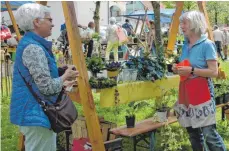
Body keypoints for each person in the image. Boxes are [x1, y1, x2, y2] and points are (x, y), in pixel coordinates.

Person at [10, 3, 79, 151]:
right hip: (35, 113)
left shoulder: (32, 44)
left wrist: (60, 71)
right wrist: (65, 76)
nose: (53, 24)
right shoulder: (33, 48)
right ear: (36, 22)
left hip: (33, 111)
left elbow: (36, 75)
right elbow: (47, 87)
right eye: (49, 19)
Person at [172, 11, 226, 151]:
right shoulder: (185, 45)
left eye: (185, 23)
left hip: (202, 91)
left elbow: (213, 72)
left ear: (195, 24)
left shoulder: (207, 45)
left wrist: (191, 70)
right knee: (192, 133)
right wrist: (177, 68)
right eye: (181, 23)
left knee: (209, 134)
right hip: (186, 91)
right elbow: (186, 65)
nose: (181, 26)